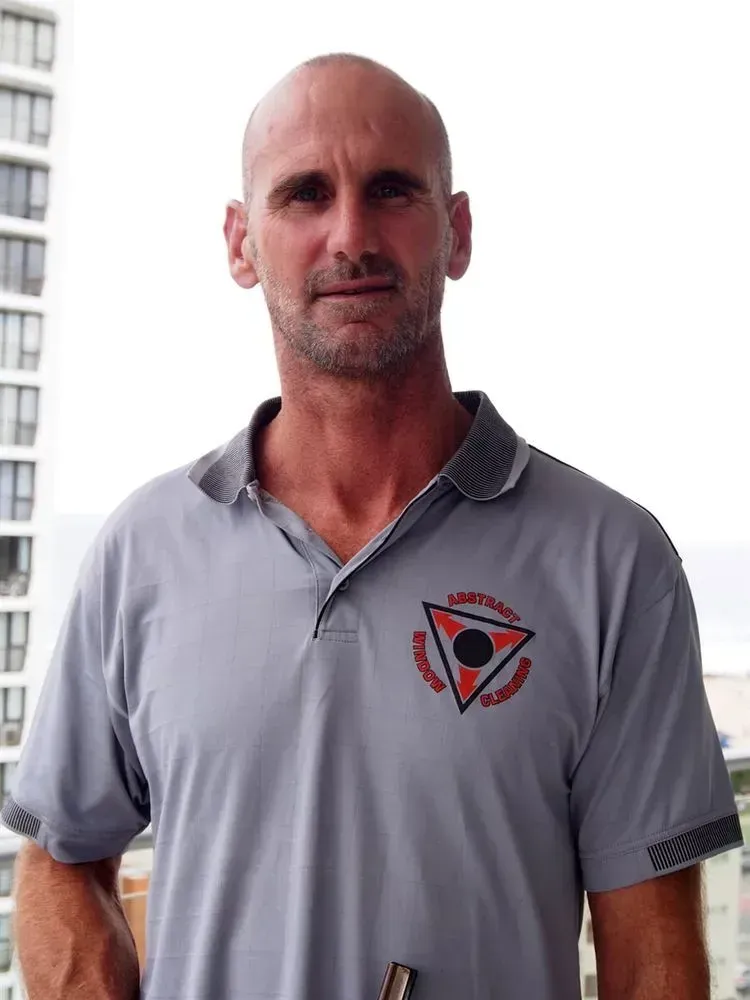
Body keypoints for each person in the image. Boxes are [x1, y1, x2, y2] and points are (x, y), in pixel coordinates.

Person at [2, 53, 743, 1000]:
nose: (349, 235)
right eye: (304, 195)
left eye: (391, 190)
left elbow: (656, 965)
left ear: (457, 230)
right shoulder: (142, 552)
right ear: (241, 244)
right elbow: (61, 856)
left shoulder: (611, 561)